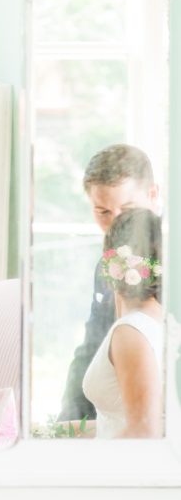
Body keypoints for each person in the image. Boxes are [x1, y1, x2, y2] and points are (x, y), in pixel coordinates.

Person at [58, 144, 158, 422]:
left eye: (127, 209)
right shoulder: (106, 267)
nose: (115, 224)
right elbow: (92, 346)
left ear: (153, 195)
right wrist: (67, 421)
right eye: (103, 212)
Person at [82, 208, 163, 438]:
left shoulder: (131, 332)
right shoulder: (161, 322)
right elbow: (117, 420)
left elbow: (143, 431)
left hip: (122, 470)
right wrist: (57, 432)